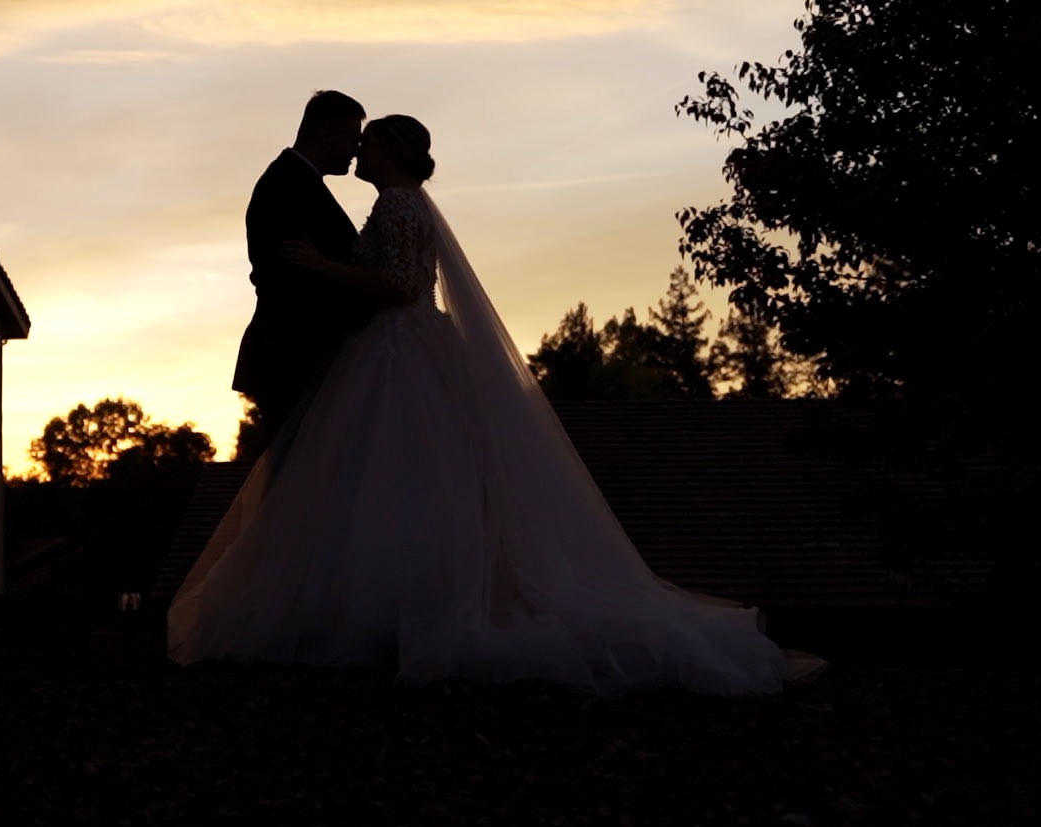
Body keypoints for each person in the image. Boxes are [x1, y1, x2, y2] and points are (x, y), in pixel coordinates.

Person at [169, 115, 819, 697]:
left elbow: (396, 288)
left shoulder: (398, 207)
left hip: (397, 349)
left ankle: (389, 615)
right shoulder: (399, 204)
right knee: (396, 483)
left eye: (367, 144)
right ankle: (383, 610)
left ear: (390, 154)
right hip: (393, 349)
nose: (358, 153)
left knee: (391, 478)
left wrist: (319, 265)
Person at [230, 90, 376, 457]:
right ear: (327, 134)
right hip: (296, 354)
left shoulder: (298, 182)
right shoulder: (286, 186)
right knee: (296, 473)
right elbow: (291, 279)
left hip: (303, 353)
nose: (356, 150)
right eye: (352, 138)